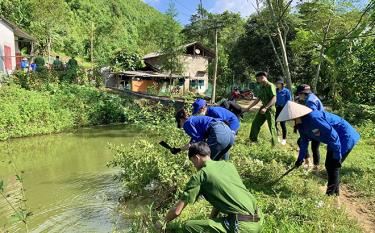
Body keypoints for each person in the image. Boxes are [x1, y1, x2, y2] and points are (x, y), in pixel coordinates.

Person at [162, 142, 263, 233]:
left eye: (193, 163)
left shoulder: (200, 176)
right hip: (259, 219)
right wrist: (211, 220)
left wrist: (163, 223)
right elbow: (221, 196)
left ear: (196, 158)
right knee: (209, 225)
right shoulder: (227, 165)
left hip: (242, 226)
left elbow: (176, 211)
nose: (195, 166)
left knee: (189, 226)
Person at [276, 101, 360, 196]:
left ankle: (330, 195)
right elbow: (303, 141)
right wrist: (300, 159)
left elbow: (334, 136)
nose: (290, 121)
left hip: (344, 137)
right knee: (330, 165)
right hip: (333, 140)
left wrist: (337, 155)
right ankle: (334, 194)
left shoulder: (314, 118)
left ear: (297, 115)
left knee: (332, 165)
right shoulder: (301, 125)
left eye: (291, 118)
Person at [296, 84, 324, 171]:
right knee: (312, 145)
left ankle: (314, 165)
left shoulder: (310, 101)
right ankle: (311, 163)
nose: (299, 96)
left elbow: (313, 117)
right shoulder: (312, 97)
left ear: (302, 93)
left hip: (316, 127)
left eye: (299, 94)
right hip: (318, 125)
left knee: (313, 146)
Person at [246, 71, 277, 146]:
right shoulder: (262, 87)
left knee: (271, 126)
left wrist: (266, 108)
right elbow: (258, 99)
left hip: (270, 108)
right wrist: (248, 107)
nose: (257, 81)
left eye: (258, 79)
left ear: (262, 77)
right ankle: (252, 140)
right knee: (255, 123)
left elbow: (274, 98)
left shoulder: (270, 85)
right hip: (263, 108)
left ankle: (274, 144)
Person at [275, 78, 292, 145]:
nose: (277, 84)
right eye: (276, 83)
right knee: (274, 123)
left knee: (282, 124)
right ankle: (277, 136)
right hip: (277, 108)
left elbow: (289, 100)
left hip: (284, 109)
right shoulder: (275, 90)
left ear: (282, 84)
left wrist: (287, 109)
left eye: (278, 83)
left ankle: (284, 139)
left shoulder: (286, 91)